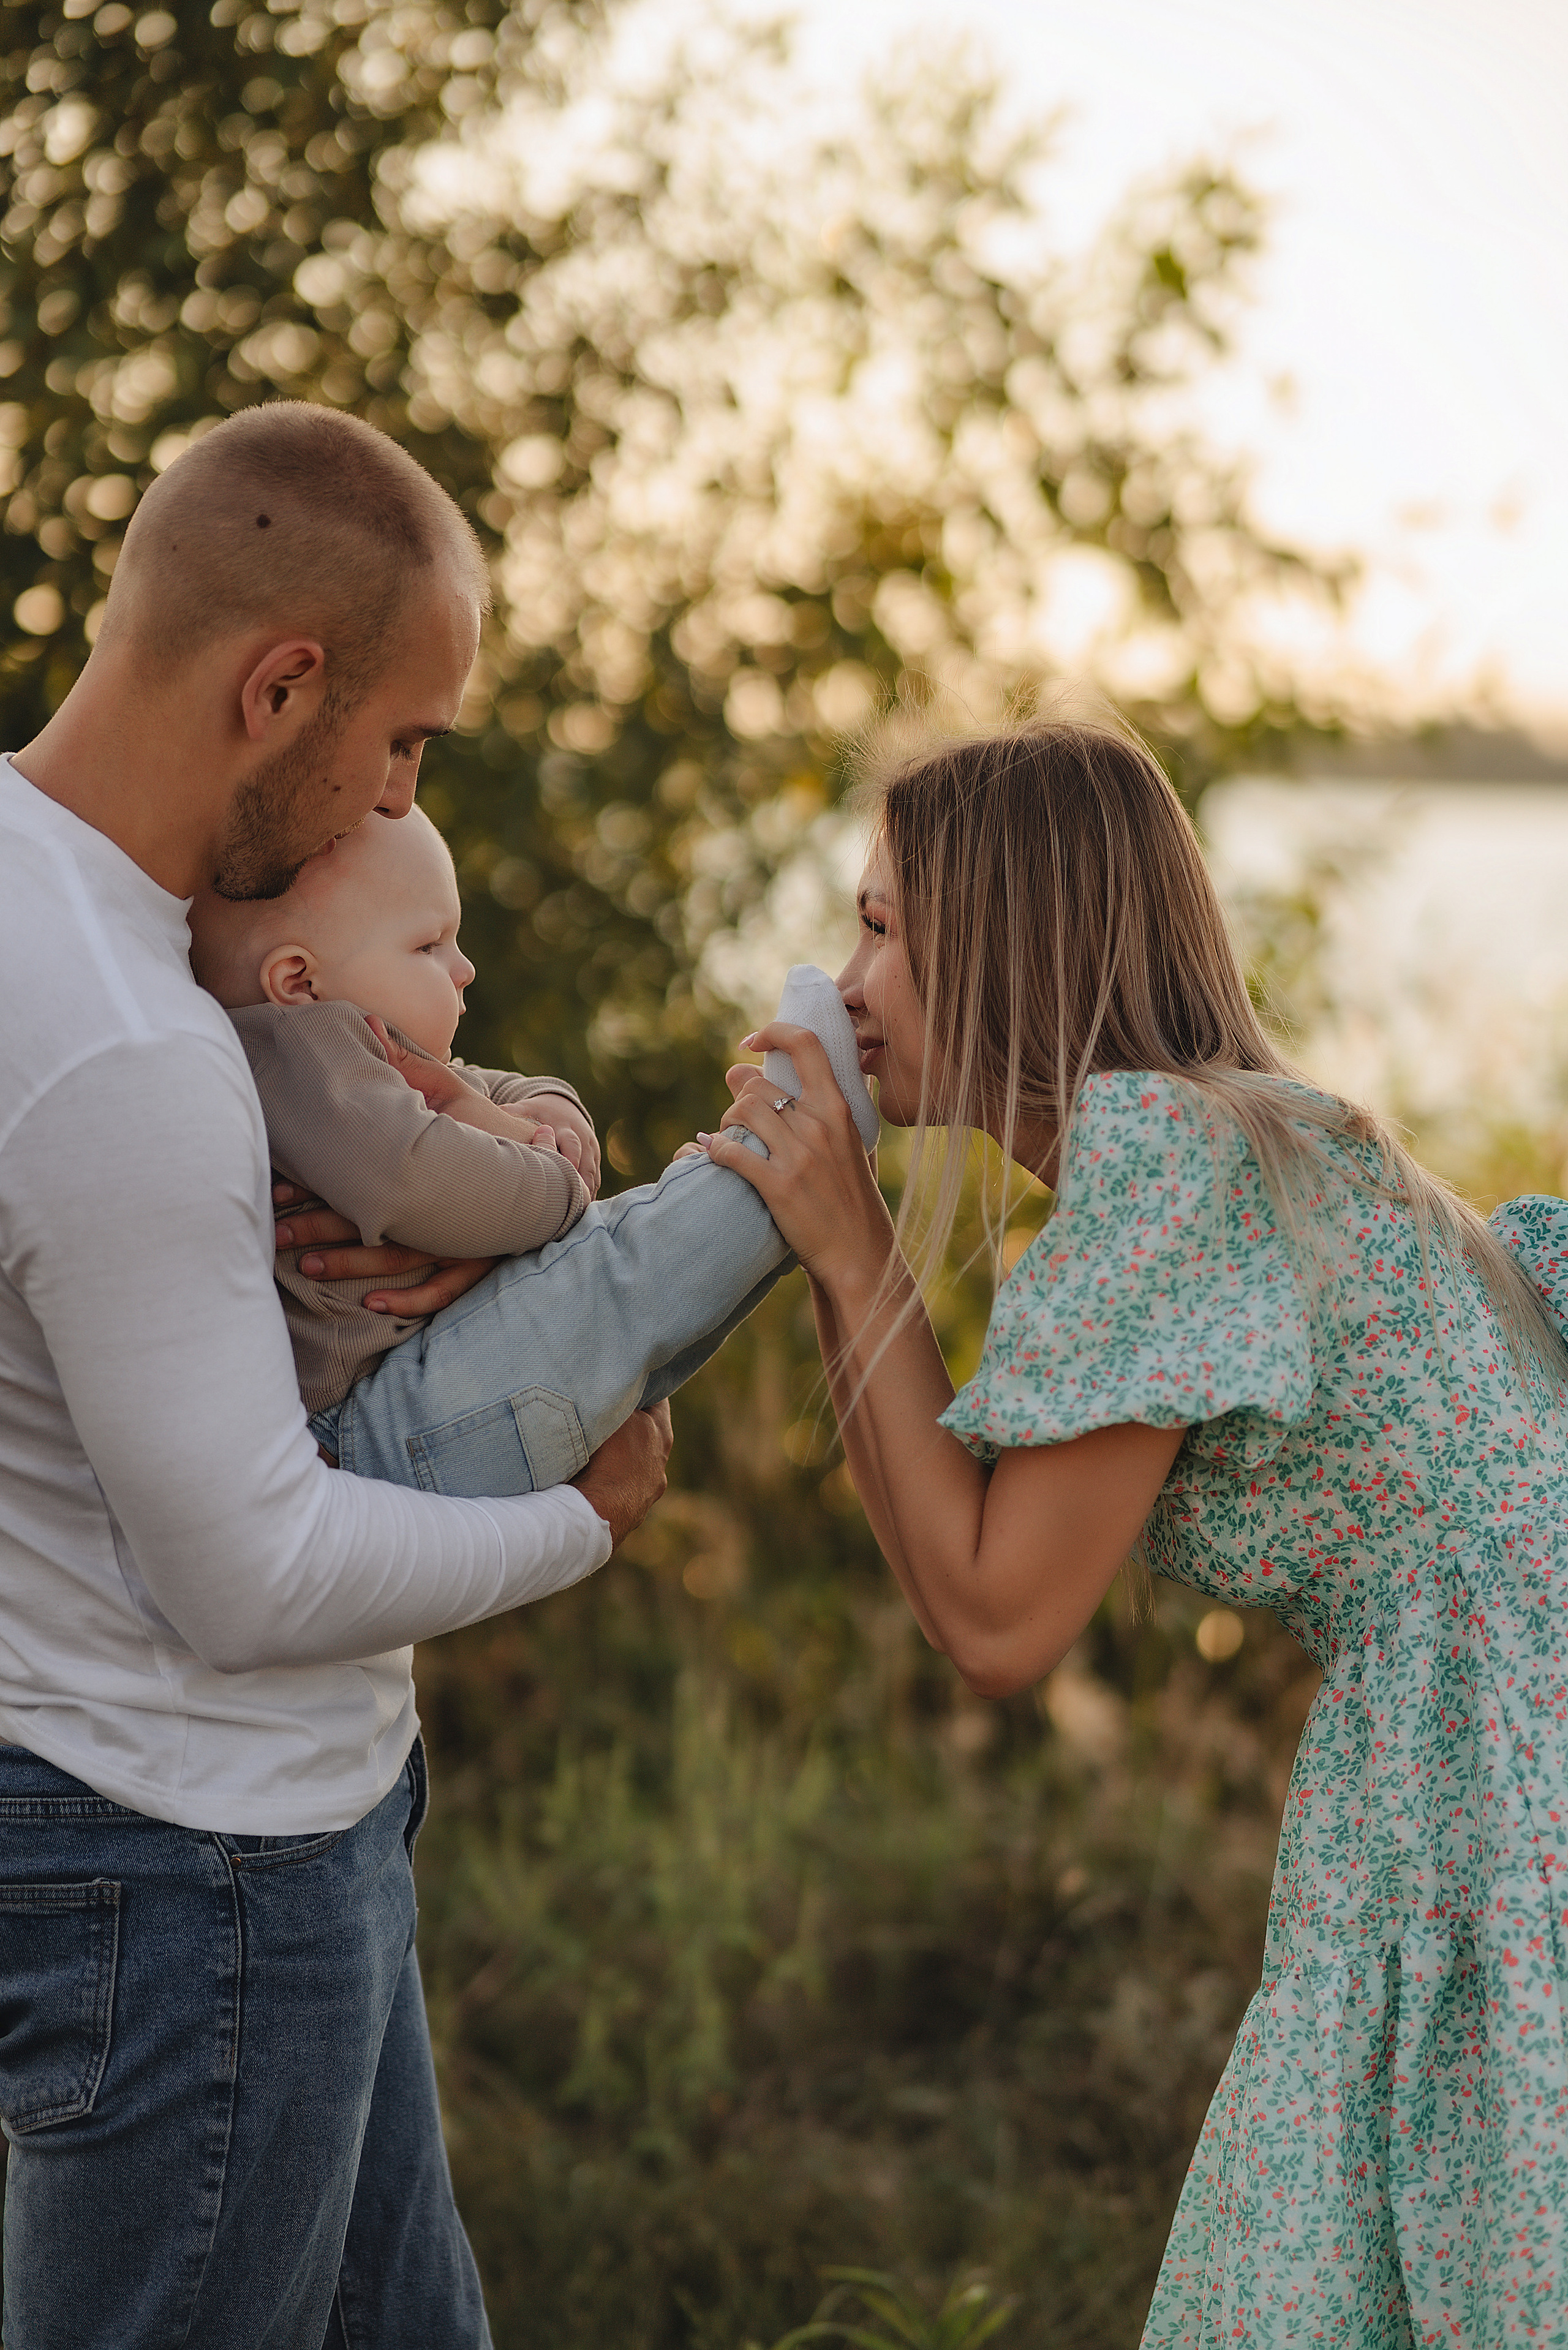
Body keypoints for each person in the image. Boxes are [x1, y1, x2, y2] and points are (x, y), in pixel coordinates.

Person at [703, 714, 1568, 2345]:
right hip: (1483, 1783)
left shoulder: (1174, 1160)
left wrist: (852, 1242)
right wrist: (848, 1248)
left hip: (1490, 1823)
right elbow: (973, 1566)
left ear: (1005, 936)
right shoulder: (1234, 1137)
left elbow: (996, 1622)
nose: (851, 980)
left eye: (881, 925)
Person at [0, 401, 673, 2350]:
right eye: (401, 744)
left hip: (250, 1830)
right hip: (196, 1878)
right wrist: (582, 1520)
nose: (396, 802)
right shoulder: (127, 1048)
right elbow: (257, 1574)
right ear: (280, 686)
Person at [186, 805, 874, 1495]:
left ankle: (791, 1170)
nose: (465, 969)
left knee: (650, 1306)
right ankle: (787, 1148)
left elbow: (516, 1093)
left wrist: (533, 1116)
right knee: (616, 1274)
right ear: (298, 981)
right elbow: (421, 1180)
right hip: (371, 1426)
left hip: (423, 1396)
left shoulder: (388, 1072)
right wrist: (557, 1181)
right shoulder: (305, 1050)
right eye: (428, 946)